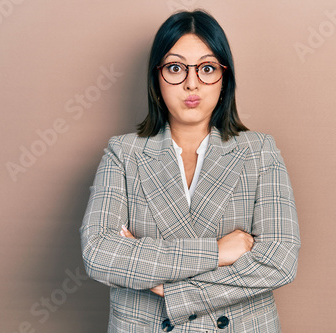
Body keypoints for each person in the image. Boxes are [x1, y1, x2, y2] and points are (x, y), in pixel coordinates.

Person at [80, 9, 300, 333]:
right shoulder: (123, 153)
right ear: (157, 78)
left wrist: (170, 290)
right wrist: (219, 251)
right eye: (175, 68)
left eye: (207, 68)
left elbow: (279, 260)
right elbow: (99, 253)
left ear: (225, 79)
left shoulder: (259, 151)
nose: (191, 83)